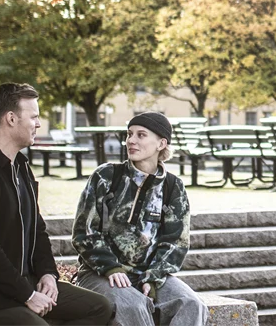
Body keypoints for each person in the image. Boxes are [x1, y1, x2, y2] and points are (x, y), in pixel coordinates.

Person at [0, 83, 111, 326]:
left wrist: (48, 274)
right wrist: (27, 294)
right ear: (11, 118)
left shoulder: (20, 167)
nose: (38, 123)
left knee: (100, 308)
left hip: (26, 283)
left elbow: (37, 228)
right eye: (33, 116)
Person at [73, 112, 200, 326]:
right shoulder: (106, 176)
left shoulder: (173, 187)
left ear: (161, 143)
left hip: (148, 274)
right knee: (133, 305)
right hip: (99, 273)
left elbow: (176, 243)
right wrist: (111, 267)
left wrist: (154, 277)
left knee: (190, 304)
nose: (131, 140)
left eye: (141, 135)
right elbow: (84, 232)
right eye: (129, 134)